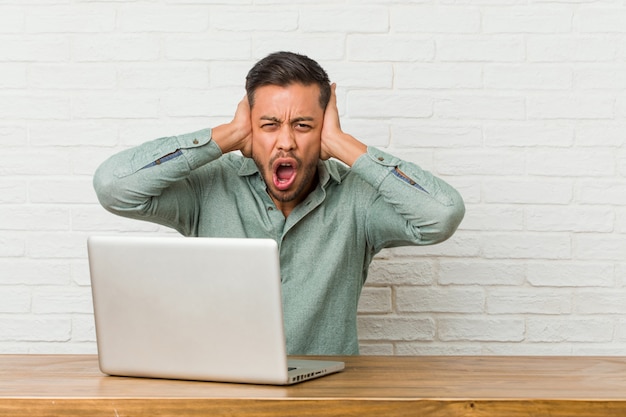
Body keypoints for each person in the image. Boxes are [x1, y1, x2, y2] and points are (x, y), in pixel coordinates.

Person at [93, 51, 465, 355]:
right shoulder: (208, 189)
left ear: (324, 128)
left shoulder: (358, 201)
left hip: (330, 400)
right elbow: (113, 186)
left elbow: (441, 214)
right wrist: (226, 136)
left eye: (303, 125)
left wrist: (343, 145)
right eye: (269, 125)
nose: (285, 142)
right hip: (224, 396)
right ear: (250, 128)